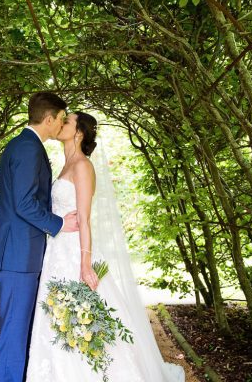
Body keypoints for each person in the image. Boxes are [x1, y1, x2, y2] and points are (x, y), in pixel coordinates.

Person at [26, 112, 185, 381]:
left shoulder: (83, 166)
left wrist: (85, 263)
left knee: (86, 320)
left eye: (68, 121)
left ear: (79, 132)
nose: (61, 123)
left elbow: (85, 220)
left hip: (75, 252)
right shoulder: (65, 165)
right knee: (57, 322)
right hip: (56, 252)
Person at [0, 92, 80, 382]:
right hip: (17, 256)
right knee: (15, 332)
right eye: (61, 119)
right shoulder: (28, 149)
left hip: (20, 254)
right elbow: (24, 203)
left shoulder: (26, 145)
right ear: (49, 118)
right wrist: (58, 224)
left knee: (21, 329)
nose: (62, 125)